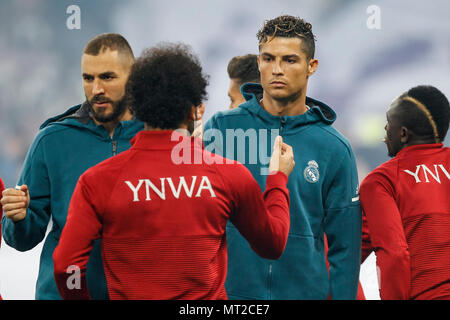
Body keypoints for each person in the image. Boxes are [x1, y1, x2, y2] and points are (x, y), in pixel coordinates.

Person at [53, 42, 294, 300]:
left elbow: (66, 266)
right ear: (194, 109)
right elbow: (273, 244)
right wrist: (277, 179)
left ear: (137, 107)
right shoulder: (229, 175)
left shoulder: (96, 181)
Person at [203, 15, 361, 299]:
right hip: (232, 297)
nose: (277, 70)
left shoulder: (335, 148)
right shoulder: (222, 129)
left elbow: (345, 249)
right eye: (268, 59)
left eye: (290, 60)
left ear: (311, 66)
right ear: (259, 62)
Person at [0, 33, 143, 300]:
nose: (96, 89)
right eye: (88, 78)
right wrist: (17, 218)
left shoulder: (159, 135)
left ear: (133, 76)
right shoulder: (52, 139)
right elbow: (22, 239)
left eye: (107, 77)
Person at [360, 85, 450, 300]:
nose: (384, 130)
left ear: (403, 134)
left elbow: (395, 255)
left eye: (388, 124)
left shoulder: (382, 181)